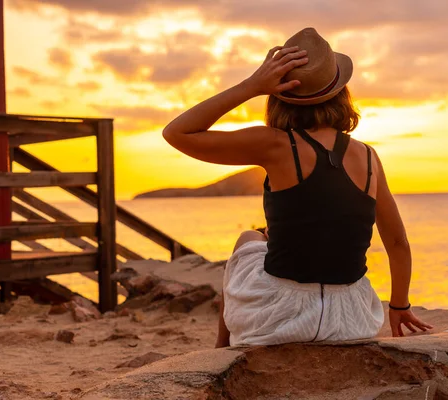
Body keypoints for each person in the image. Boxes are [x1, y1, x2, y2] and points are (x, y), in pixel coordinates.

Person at [163, 27, 432, 347]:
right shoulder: (368, 156)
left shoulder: (274, 144)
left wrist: (250, 86)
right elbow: (398, 242)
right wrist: (399, 305)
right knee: (265, 239)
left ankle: (223, 349)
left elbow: (177, 133)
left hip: (282, 317)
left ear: (278, 97)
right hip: (351, 320)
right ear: (340, 93)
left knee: (250, 237)